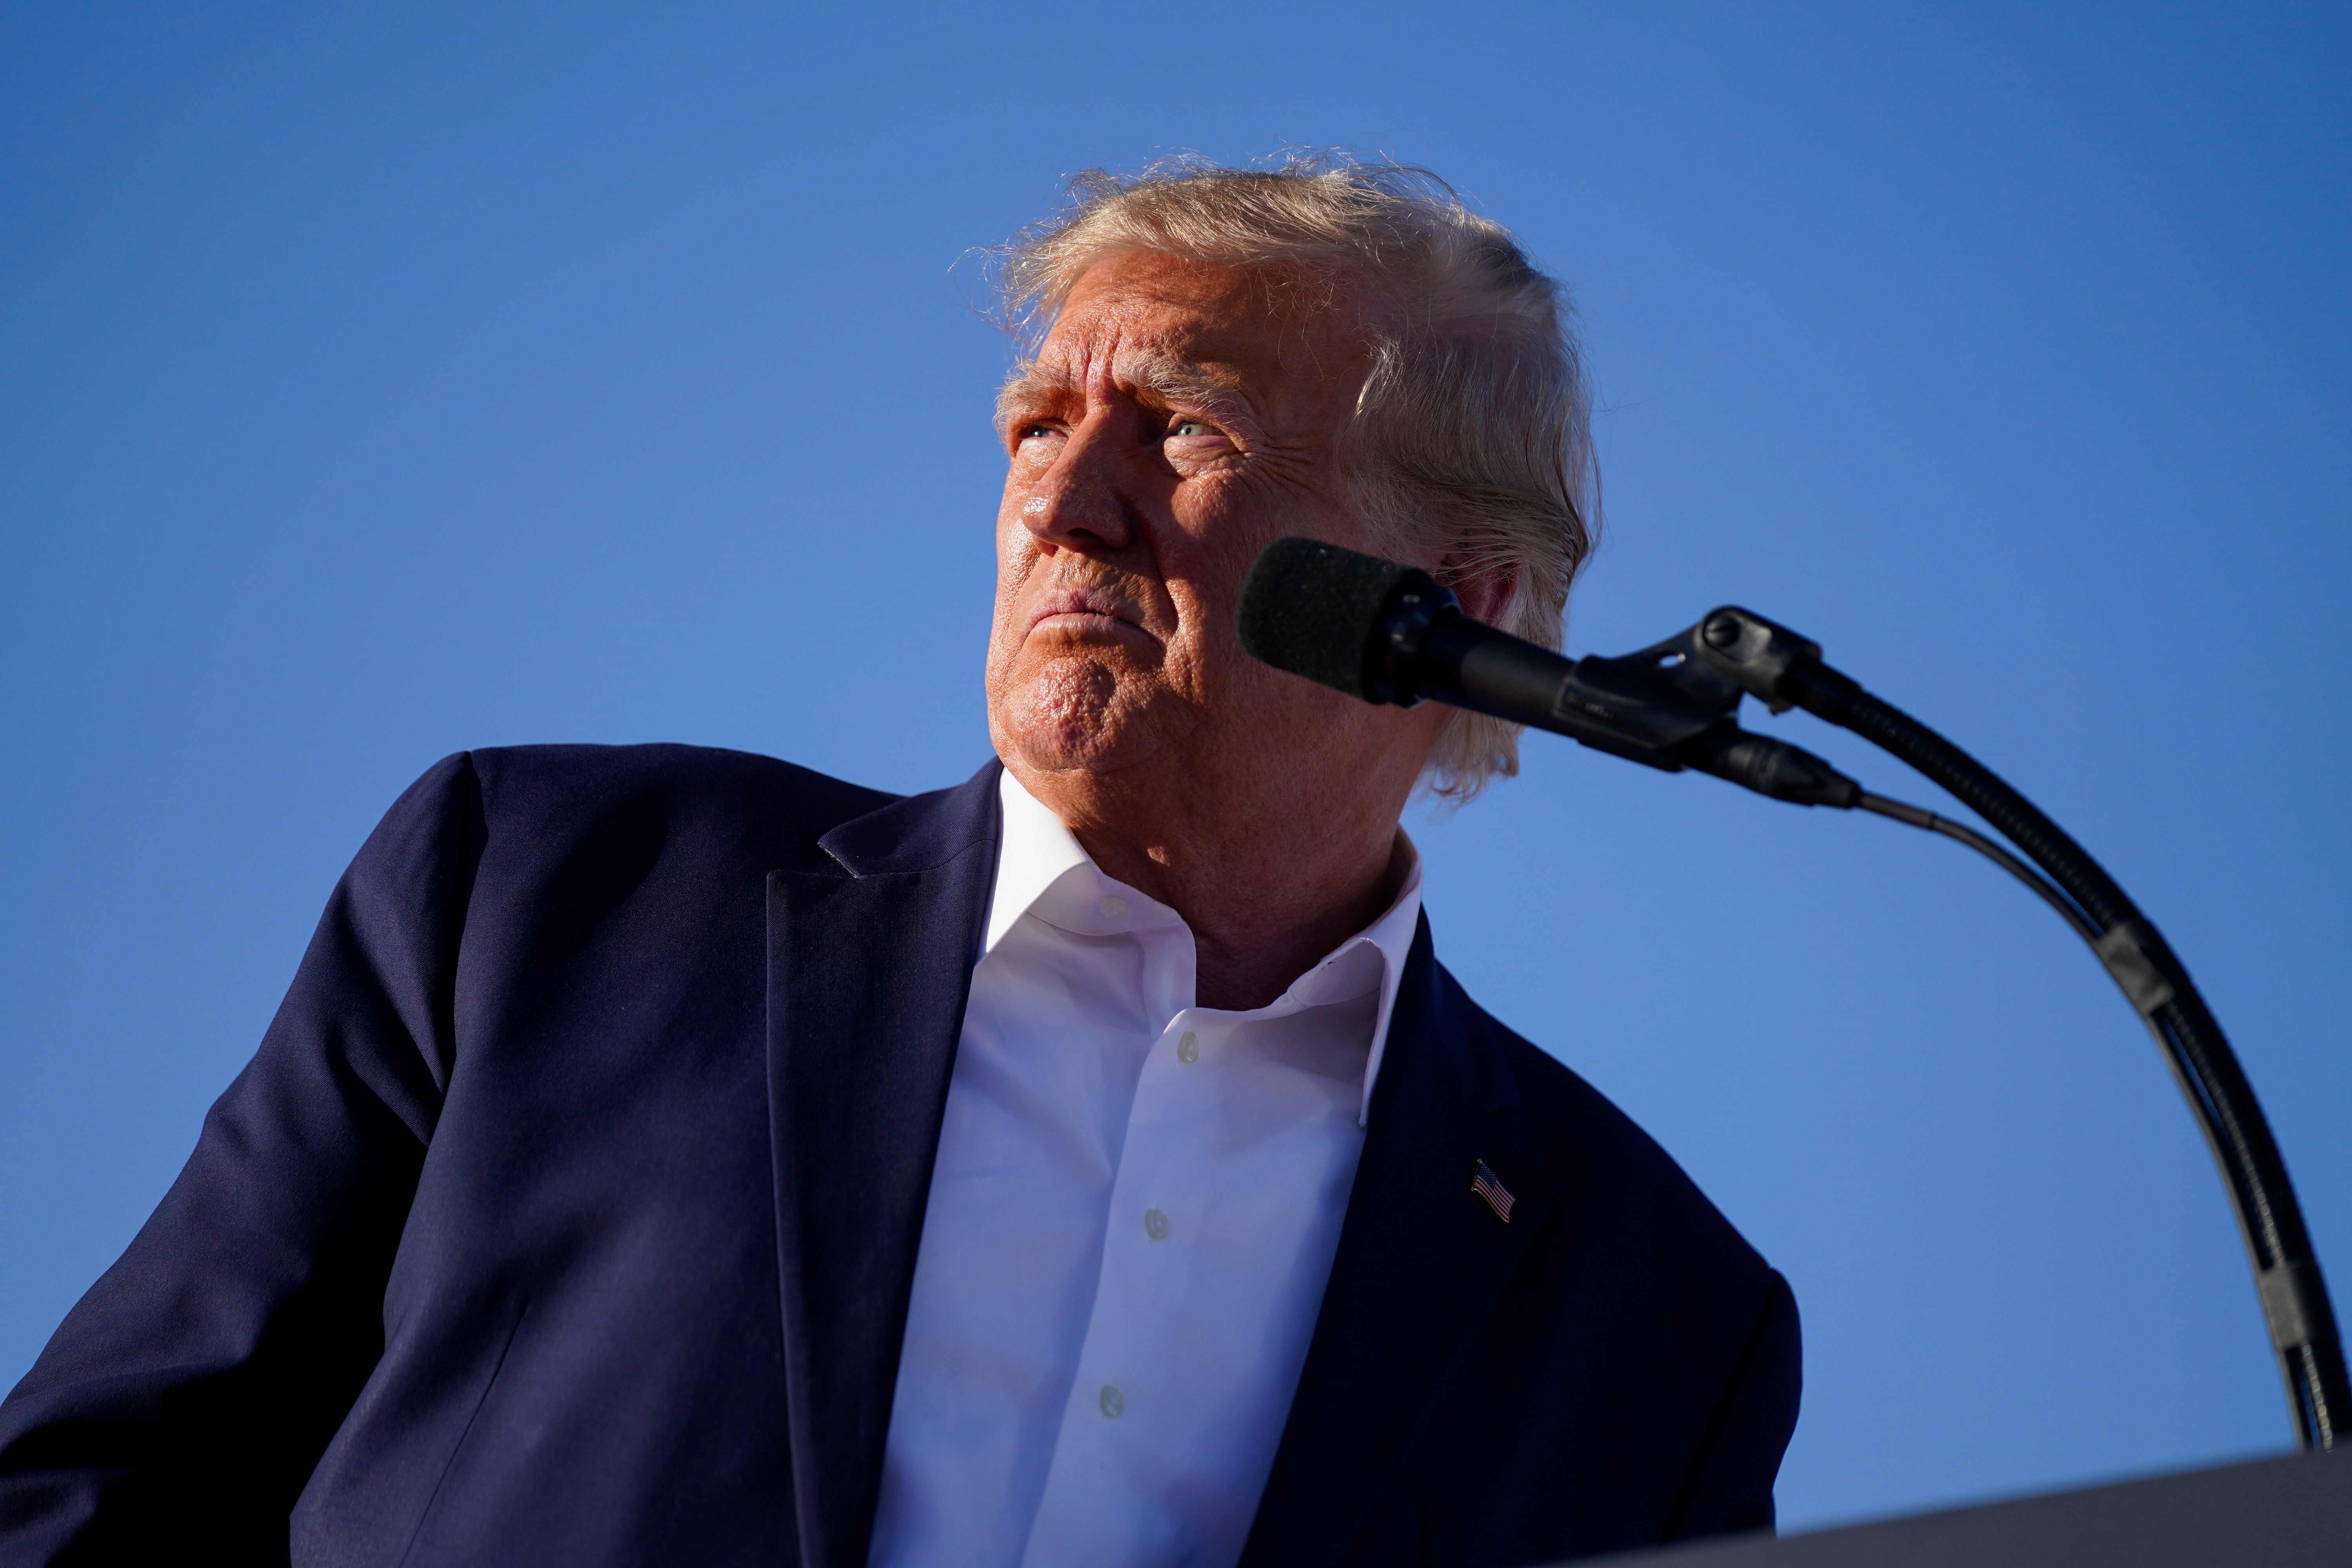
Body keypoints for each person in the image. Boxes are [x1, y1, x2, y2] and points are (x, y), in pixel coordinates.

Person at [0, 158, 1798, 1568]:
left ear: (1459, 603)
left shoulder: (1652, 1316)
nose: (1062, 504)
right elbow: (100, 1494)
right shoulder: (543, 895)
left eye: (1185, 428)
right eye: (1037, 426)